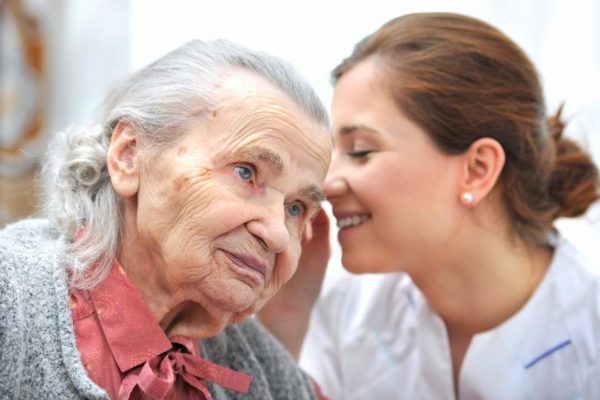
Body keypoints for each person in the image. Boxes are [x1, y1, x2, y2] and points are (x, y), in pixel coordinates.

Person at [260, 12, 600, 399]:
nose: (326, 184)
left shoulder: (590, 340)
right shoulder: (348, 313)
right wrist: (286, 321)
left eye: (361, 151)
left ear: (477, 169)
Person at [0, 38, 332, 399]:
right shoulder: (12, 299)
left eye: (296, 208)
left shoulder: (263, 371)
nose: (279, 235)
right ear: (129, 155)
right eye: (245, 172)